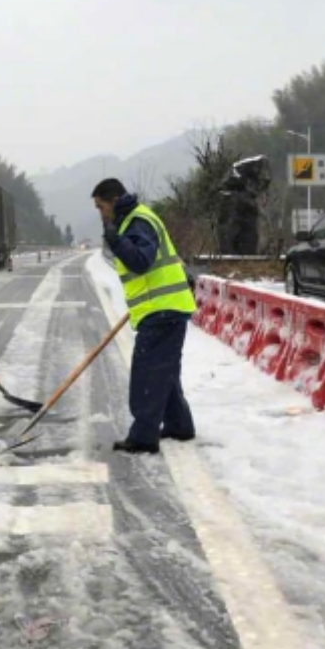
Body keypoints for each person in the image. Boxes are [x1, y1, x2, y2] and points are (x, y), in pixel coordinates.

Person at [92, 178, 198, 454]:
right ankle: (179, 425)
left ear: (114, 201)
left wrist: (114, 239)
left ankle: (143, 437)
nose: (100, 214)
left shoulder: (139, 221)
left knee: (147, 373)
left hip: (163, 310)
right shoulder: (132, 220)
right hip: (164, 307)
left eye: (101, 207)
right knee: (165, 371)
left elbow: (141, 261)